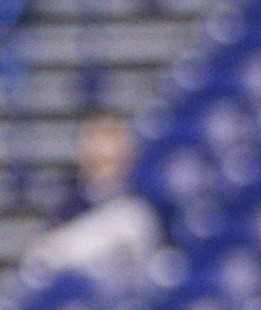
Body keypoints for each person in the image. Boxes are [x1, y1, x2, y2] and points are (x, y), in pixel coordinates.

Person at [22, 111, 167, 295]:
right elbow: (42, 261)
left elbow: (154, 262)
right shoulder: (66, 202)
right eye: (96, 139)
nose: (104, 149)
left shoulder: (146, 202)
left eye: (112, 138)